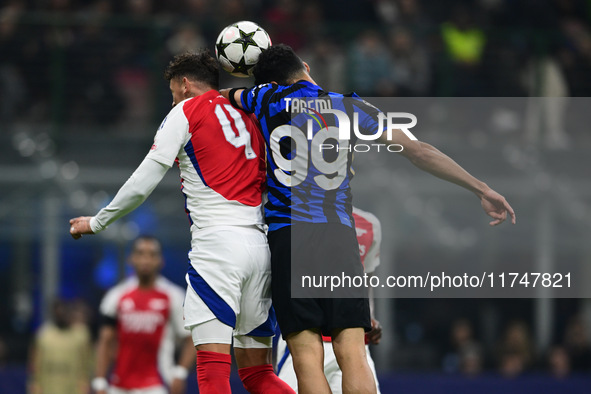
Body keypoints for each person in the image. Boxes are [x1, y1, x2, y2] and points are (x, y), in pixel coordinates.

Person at [223, 44, 516, 394]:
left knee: (305, 354)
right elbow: (419, 152)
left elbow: (221, 96)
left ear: (269, 81)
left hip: (288, 237)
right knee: (352, 350)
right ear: (304, 66)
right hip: (338, 236)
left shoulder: (262, 98)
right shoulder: (348, 105)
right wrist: (480, 188)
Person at [69, 51, 293, 394]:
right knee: (257, 374)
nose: (172, 100)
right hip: (259, 248)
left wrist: (98, 221)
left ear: (185, 85)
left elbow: (145, 178)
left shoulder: (186, 110)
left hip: (218, 249)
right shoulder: (248, 113)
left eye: (173, 92)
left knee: (213, 372)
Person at [276, 207, 383, 393]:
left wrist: (370, 317)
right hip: (305, 337)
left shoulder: (370, 224)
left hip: (354, 342)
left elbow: (365, 281)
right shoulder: (288, 213)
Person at [92, 235, 194, 394]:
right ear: (131, 259)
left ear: (161, 260)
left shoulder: (173, 296)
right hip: (119, 385)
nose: (145, 260)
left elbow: (191, 338)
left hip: (158, 384)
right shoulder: (116, 296)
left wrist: (180, 373)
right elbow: (105, 341)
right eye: (140, 254)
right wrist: (100, 381)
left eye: (152, 255)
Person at [29, 299, 93, 394]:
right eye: (58, 311)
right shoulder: (44, 335)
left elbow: (89, 361)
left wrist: (87, 382)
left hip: (74, 388)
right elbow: (35, 362)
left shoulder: (81, 334)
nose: (62, 314)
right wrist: (35, 383)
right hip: (49, 388)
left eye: (64, 311)